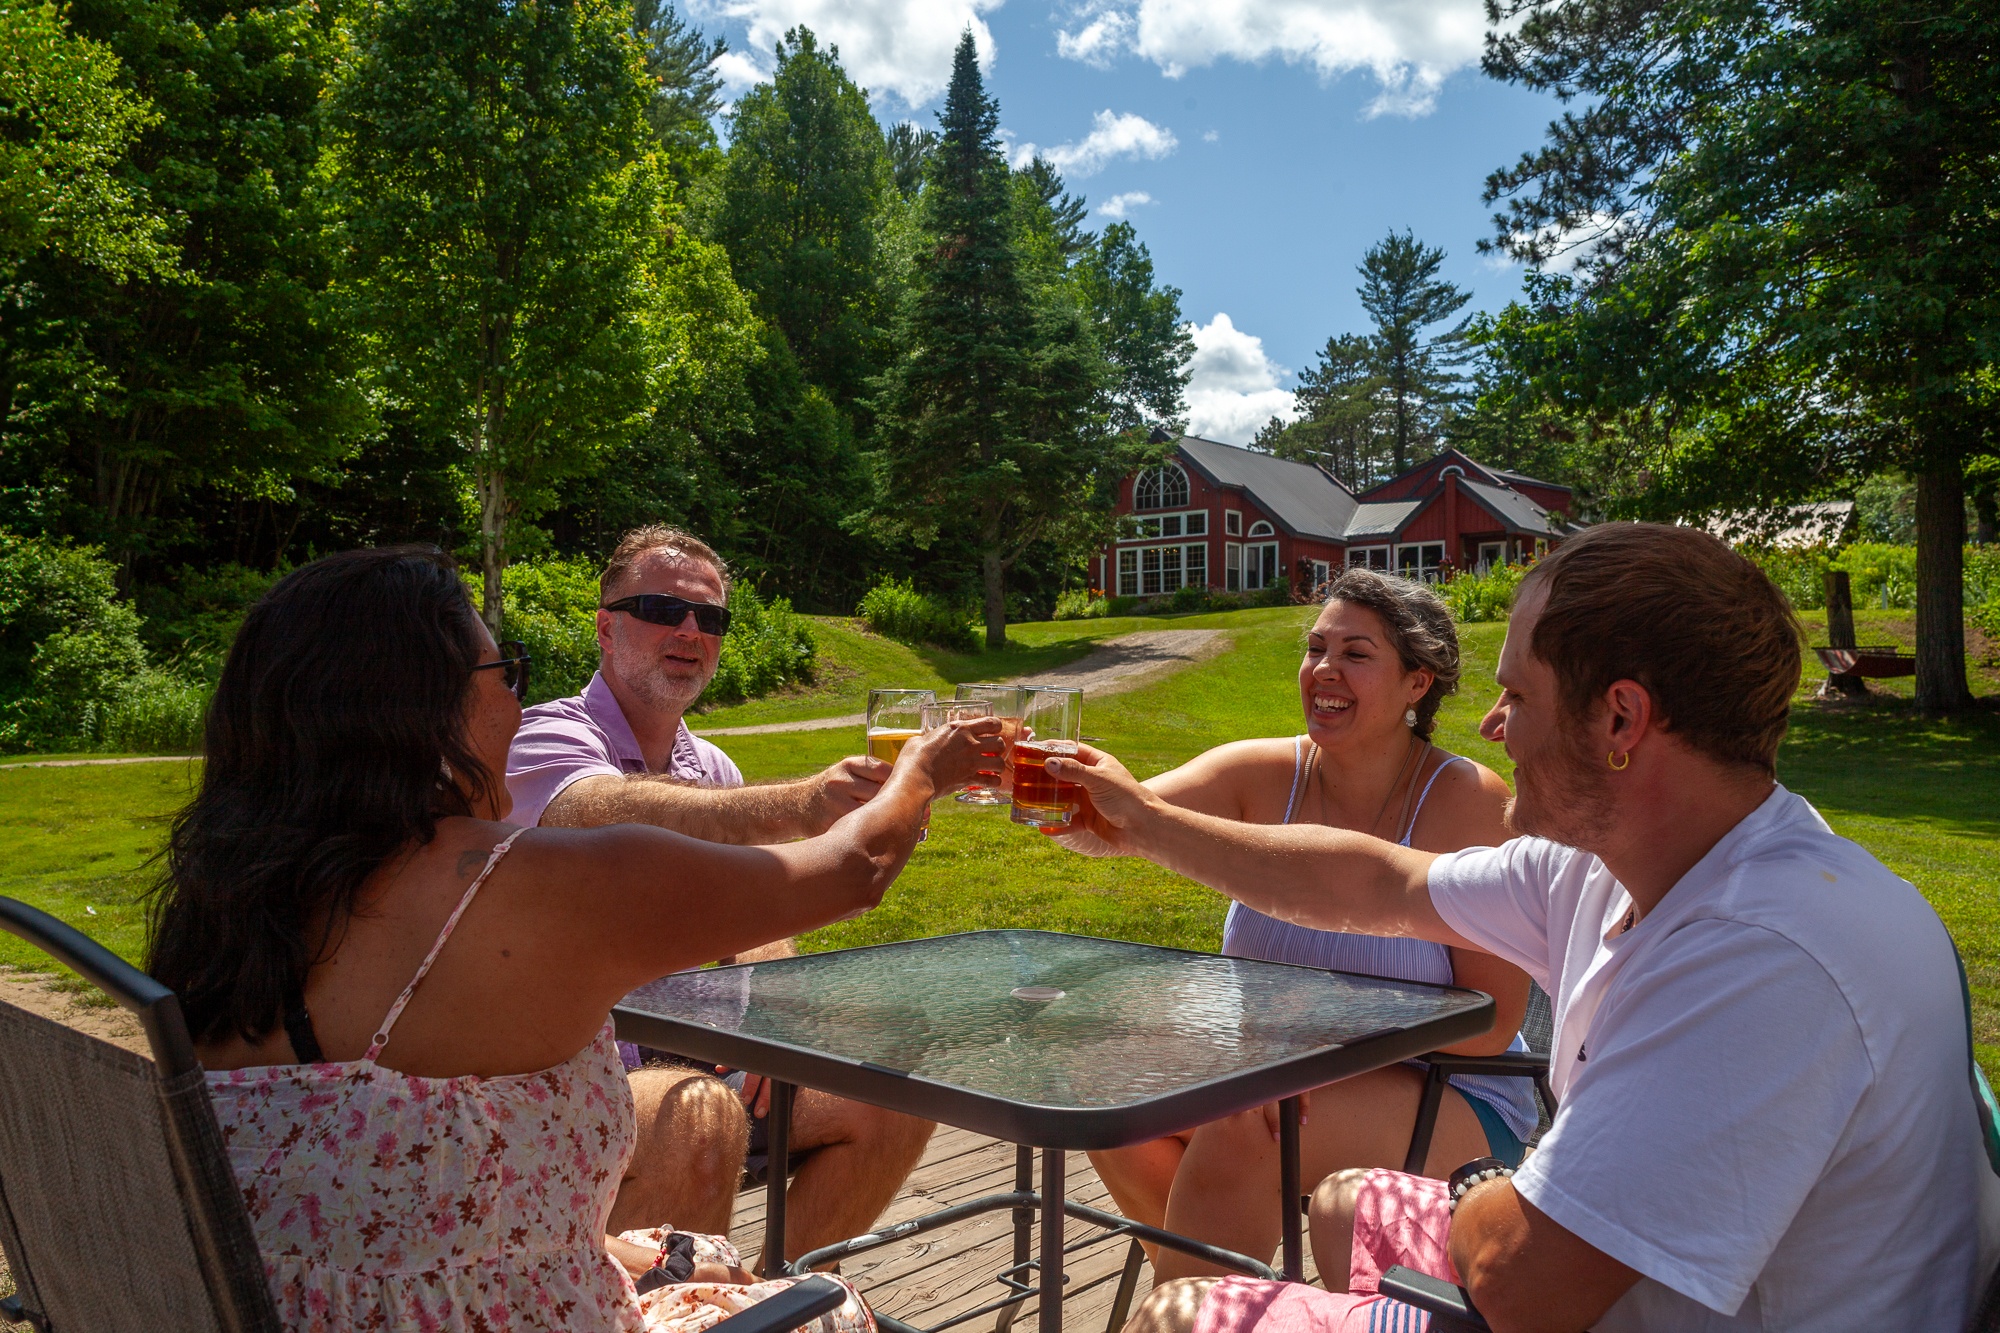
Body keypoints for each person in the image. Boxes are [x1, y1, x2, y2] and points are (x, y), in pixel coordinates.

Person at [1056, 524, 2000, 1332]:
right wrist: (1142, 820)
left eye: (1520, 695)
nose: (1496, 725)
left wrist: (1481, 1186)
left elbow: (1518, 1282)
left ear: (1620, 718)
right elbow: (1379, 880)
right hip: (1632, 1283)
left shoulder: (1763, 955)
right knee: (1348, 1200)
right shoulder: (1616, 858)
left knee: (1189, 1314)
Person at [155, 547, 996, 1332]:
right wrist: (922, 770)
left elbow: (396, 1171)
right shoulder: (516, 882)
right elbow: (851, 872)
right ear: (420, 704)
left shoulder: (226, 901)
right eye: (506, 672)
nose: (519, 704)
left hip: (323, 1295)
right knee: (834, 1305)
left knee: (709, 1246)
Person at [1070, 568, 1534, 1280]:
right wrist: (1043, 782)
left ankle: (1196, 1307)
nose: (1323, 669)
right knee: (1105, 1084)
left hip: (1453, 1089)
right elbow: (1118, 821)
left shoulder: (1468, 801)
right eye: (1315, 647)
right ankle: (1224, 1300)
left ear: (1418, 682)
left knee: (1249, 1112)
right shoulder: (1262, 772)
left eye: (1355, 653)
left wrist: (1313, 1045)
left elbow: (1495, 1022)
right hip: (1273, 1072)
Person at [504, 525, 938, 1269]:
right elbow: (604, 814)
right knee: (698, 1120)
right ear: (607, 626)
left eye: (710, 618)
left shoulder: (713, 763)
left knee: (896, 1088)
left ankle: (771, 1300)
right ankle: (684, 1306)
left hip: (715, 1061)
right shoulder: (545, 738)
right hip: (585, 1080)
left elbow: (758, 907)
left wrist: (767, 1027)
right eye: (661, 609)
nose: (689, 631)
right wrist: (802, 806)